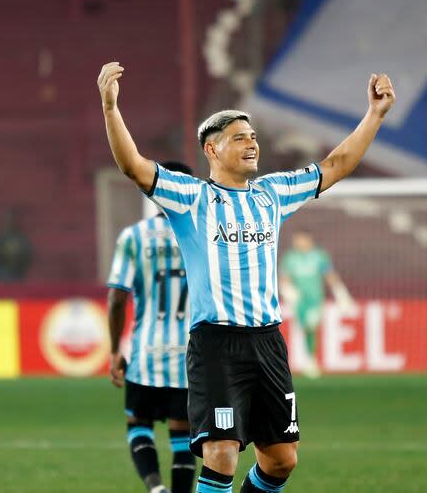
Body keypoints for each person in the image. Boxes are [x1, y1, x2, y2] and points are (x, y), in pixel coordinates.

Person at [98, 61, 395, 493]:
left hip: (267, 342)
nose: (251, 143)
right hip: (217, 342)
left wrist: (375, 114)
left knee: (281, 461)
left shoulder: (272, 193)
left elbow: (338, 163)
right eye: (239, 138)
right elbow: (133, 166)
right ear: (212, 150)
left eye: (253, 137)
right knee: (221, 454)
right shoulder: (192, 198)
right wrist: (111, 108)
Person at [106, 162, 197, 493]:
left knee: (138, 423)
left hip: (145, 352)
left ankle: (156, 488)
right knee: (183, 433)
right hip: (190, 355)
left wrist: (116, 349)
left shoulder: (133, 236)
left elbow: (117, 299)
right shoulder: (202, 236)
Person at [280, 231, 353, 378]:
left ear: (308, 240)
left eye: (301, 239)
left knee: (311, 326)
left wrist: (340, 293)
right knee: (304, 329)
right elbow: (284, 278)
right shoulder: (290, 258)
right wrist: (288, 291)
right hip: (299, 301)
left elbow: (329, 275)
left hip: (315, 300)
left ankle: (311, 362)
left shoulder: (319, 256)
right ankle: (307, 359)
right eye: (296, 240)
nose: (298, 243)